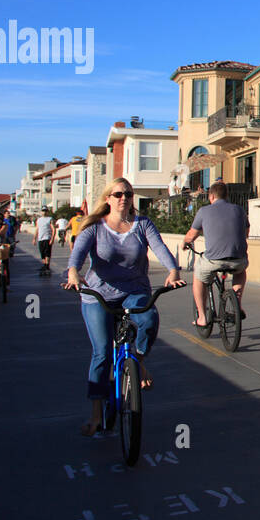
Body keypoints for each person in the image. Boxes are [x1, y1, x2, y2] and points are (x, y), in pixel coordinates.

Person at [65, 178, 183, 437]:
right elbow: (78, 254)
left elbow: (160, 248)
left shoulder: (142, 225)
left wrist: (173, 270)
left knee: (149, 317)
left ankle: (137, 361)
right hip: (98, 295)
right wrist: (73, 273)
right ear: (108, 198)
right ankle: (96, 415)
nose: (123, 198)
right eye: (117, 194)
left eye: (128, 194)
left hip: (134, 291)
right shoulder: (95, 227)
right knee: (102, 353)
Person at [182, 181, 250, 328]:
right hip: (238, 258)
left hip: (214, 259)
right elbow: (246, 232)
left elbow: (191, 235)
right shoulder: (239, 210)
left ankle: (201, 317)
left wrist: (185, 243)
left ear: (211, 196)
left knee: (198, 276)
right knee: (240, 272)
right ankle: (237, 303)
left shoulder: (204, 211)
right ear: (227, 196)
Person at [35, 206, 54, 276]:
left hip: (47, 237)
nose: (44, 212)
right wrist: (34, 238)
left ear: (47, 212)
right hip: (40, 238)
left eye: (45, 211)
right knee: (42, 253)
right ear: (41, 212)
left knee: (47, 253)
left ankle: (47, 266)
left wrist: (52, 238)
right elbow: (37, 229)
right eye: (43, 211)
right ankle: (44, 265)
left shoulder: (50, 219)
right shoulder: (39, 220)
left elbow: (53, 229)